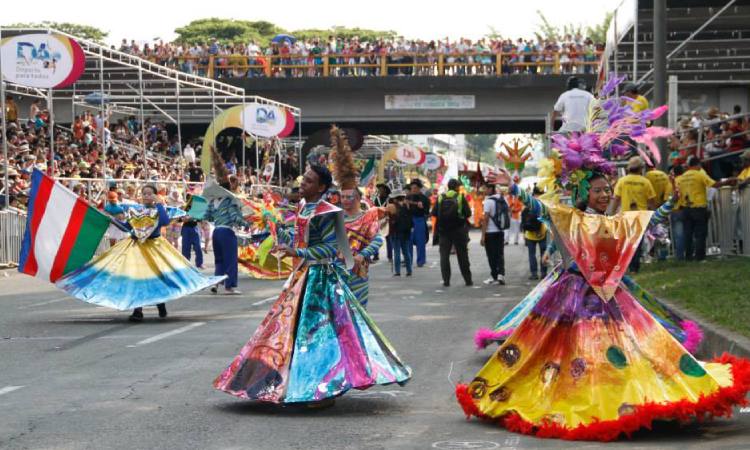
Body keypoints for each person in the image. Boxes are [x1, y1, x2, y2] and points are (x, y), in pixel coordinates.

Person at [457, 90, 750, 440]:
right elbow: (537, 210)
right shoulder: (569, 218)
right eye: (598, 190)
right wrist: (514, 189)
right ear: (585, 193)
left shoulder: (615, 222)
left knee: (625, 350)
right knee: (564, 353)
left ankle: (623, 396)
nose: (605, 193)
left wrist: (671, 202)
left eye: (607, 188)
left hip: (611, 298)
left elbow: (649, 219)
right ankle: (575, 399)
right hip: (569, 297)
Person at [214, 165, 411, 405]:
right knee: (292, 332)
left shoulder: (328, 212)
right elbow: (296, 239)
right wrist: (274, 228)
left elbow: (331, 248)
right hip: (302, 276)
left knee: (319, 335)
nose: (302, 184)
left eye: (308, 181)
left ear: (321, 187)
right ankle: (290, 383)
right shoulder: (301, 207)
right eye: (303, 180)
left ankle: (322, 390)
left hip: (322, 279)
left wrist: (295, 250)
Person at [56, 184, 224, 321]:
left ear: (156, 195)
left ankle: (161, 304)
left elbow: (164, 222)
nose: (146, 196)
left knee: (159, 277)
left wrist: (159, 204)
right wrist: (112, 220)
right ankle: (138, 310)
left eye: (150, 193)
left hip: (156, 248)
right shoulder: (134, 211)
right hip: (136, 248)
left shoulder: (160, 209)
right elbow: (128, 227)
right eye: (144, 193)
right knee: (137, 278)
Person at [331, 126, 383, 307]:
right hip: (336, 272)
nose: (345, 200)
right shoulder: (334, 218)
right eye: (342, 196)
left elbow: (377, 240)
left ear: (358, 197)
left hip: (358, 274)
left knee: (359, 315)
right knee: (338, 316)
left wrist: (363, 255)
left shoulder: (367, 217)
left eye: (349, 196)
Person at [676, 156, 735, 261]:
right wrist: (728, 181)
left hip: (686, 208)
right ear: (698, 164)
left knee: (688, 234)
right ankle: (700, 257)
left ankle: (688, 257)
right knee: (700, 234)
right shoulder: (700, 174)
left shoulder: (682, 177)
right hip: (699, 208)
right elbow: (714, 184)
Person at [204, 175, 248, 294]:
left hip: (216, 232)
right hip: (227, 232)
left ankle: (216, 284)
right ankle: (229, 286)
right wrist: (246, 223)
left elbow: (207, 216)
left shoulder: (213, 202)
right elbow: (234, 217)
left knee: (219, 260)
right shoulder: (229, 201)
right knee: (230, 260)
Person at [612, 156, 657, 272]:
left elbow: (616, 199)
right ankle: (633, 267)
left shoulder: (622, 181)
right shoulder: (645, 182)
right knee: (636, 242)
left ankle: (627, 266)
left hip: (626, 215)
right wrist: (655, 212)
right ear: (641, 168)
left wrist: (611, 213)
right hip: (641, 216)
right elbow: (651, 200)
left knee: (627, 242)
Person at [432, 179, 473, 287]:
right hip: (458, 230)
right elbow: (468, 213)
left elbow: (434, 213)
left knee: (444, 256)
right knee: (462, 255)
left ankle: (446, 281)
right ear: (456, 187)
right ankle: (468, 280)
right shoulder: (460, 197)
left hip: (444, 231)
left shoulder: (441, 197)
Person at [480, 182, 509, 285]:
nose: (484, 191)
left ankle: (494, 276)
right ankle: (501, 275)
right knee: (500, 254)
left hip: (490, 232)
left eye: (486, 188)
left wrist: (483, 235)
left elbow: (486, 218)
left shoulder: (488, 201)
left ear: (490, 189)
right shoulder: (503, 199)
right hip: (500, 231)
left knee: (491, 255)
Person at [522, 186, 548, 280]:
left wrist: (523, 234)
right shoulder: (543, 203)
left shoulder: (528, 204)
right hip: (542, 233)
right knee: (543, 254)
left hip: (529, 234)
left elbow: (523, 221)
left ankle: (534, 274)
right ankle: (544, 273)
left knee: (531, 254)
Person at [388, 191, 413, 277]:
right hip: (405, 231)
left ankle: (397, 271)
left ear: (395, 198)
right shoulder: (406, 205)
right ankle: (409, 270)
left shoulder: (392, 207)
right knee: (406, 251)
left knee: (397, 252)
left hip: (395, 231)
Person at [407, 179, 430, 267]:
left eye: (415, 188)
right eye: (412, 188)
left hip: (420, 220)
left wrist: (422, 208)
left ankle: (421, 261)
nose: (413, 189)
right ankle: (408, 260)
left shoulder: (424, 199)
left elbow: (427, 212)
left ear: (419, 188)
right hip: (409, 221)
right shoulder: (407, 197)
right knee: (408, 241)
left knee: (420, 242)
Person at [181, 193, 204, 269]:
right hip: (186, 228)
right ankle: (186, 263)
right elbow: (179, 218)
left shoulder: (196, 209)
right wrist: (184, 218)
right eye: (189, 199)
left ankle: (199, 263)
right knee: (186, 247)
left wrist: (192, 218)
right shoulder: (184, 207)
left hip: (194, 228)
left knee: (198, 247)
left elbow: (200, 219)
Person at [372, 183, 391, 262]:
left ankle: (390, 255)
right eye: (379, 190)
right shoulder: (376, 199)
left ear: (385, 191)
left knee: (388, 238)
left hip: (387, 220)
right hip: (378, 220)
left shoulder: (389, 199)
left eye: (381, 190)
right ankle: (376, 255)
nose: (380, 191)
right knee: (376, 238)